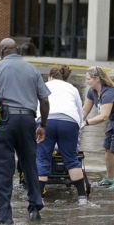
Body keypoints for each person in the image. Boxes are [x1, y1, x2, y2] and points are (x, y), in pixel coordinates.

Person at [0, 38, 50, 223]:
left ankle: (5, 216)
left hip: (5, 121)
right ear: (17, 50)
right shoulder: (32, 69)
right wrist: (43, 125)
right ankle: (35, 208)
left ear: (2, 51)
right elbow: (44, 101)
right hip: (28, 120)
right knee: (29, 164)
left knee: (3, 168)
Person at [35, 65, 87, 205]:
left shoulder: (44, 85)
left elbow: (35, 107)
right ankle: (82, 197)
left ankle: (39, 197)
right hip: (69, 122)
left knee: (42, 158)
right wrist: (78, 130)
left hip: (46, 121)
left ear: (50, 77)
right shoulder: (72, 88)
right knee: (71, 159)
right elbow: (79, 111)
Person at [81, 66, 114, 191]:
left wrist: (86, 123)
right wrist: (77, 121)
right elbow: (84, 110)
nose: (87, 81)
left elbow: (104, 116)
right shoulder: (92, 92)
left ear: (97, 79)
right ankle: (109, 178)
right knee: (107, 147)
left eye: (89, 79)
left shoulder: (109, 92)